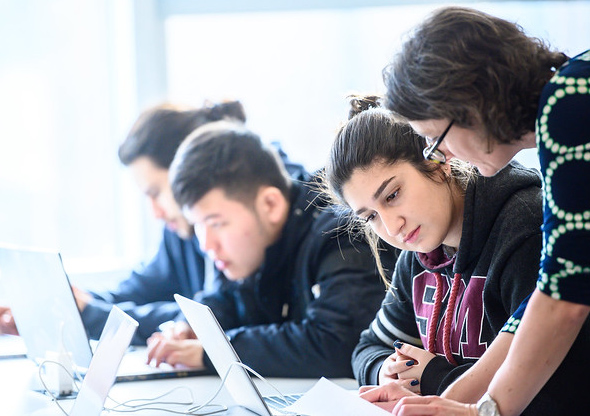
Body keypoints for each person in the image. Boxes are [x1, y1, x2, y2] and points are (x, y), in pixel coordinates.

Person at [363, 6, 590, 415]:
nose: (441, 155)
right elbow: (545, 296)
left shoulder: (569, 106)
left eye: (435, 139)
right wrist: (452, 405)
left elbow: (566, 297)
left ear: (472, 102)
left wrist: (480, 412)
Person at [324, 96, 542, 399]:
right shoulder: (420, 254)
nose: (391, 227)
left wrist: (430, 378)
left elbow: (545, 383)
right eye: (371, 216)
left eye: (392, 195)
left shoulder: (527, 227)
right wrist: (387, 371)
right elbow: (368, 348)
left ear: (437, 162)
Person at [145, 120, 396, 378]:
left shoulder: (341, 232)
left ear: (270, 205)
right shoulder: (247, 251)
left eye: (216, 223)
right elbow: (225, 298)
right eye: (198, 225)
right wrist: (194, 328)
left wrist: (213, 351)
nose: (206, 245)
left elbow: (336, 343)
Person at [0, 101, 247, 344]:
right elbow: (137, 291)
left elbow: (212, 320)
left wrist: (90, 314)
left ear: (189, 172)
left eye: (156, 192)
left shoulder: (234, 235)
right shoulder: (180, 233)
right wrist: (63, 304)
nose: (156, 213)